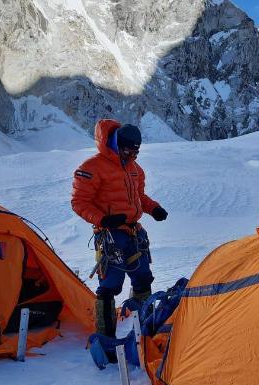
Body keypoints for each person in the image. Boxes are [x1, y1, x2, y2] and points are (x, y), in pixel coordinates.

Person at [71, 119, 168, 338]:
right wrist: (104, 220)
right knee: (110, 285)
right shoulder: (90, 168)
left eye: (136, 153)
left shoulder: (134, 168)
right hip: (111, 235)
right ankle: (105, 336)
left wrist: (154, 209)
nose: (132, 157)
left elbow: (139, 196)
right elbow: (79, 202)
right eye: (128, 152)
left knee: (143, 278)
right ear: (115, 144)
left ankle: (146, 329)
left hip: (134, 233)